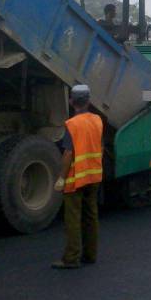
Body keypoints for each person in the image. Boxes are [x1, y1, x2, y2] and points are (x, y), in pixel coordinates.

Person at [52, 84, 105, 269]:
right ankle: (90, 255)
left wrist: (61, 178)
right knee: (91, 216)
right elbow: (100, 147)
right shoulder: (97, 120)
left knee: (73, 219)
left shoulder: (72, 124)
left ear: (71, 101)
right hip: (94, 176)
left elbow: (68, 153)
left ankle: (71, 258)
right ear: (88, 101)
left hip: (76, 178)